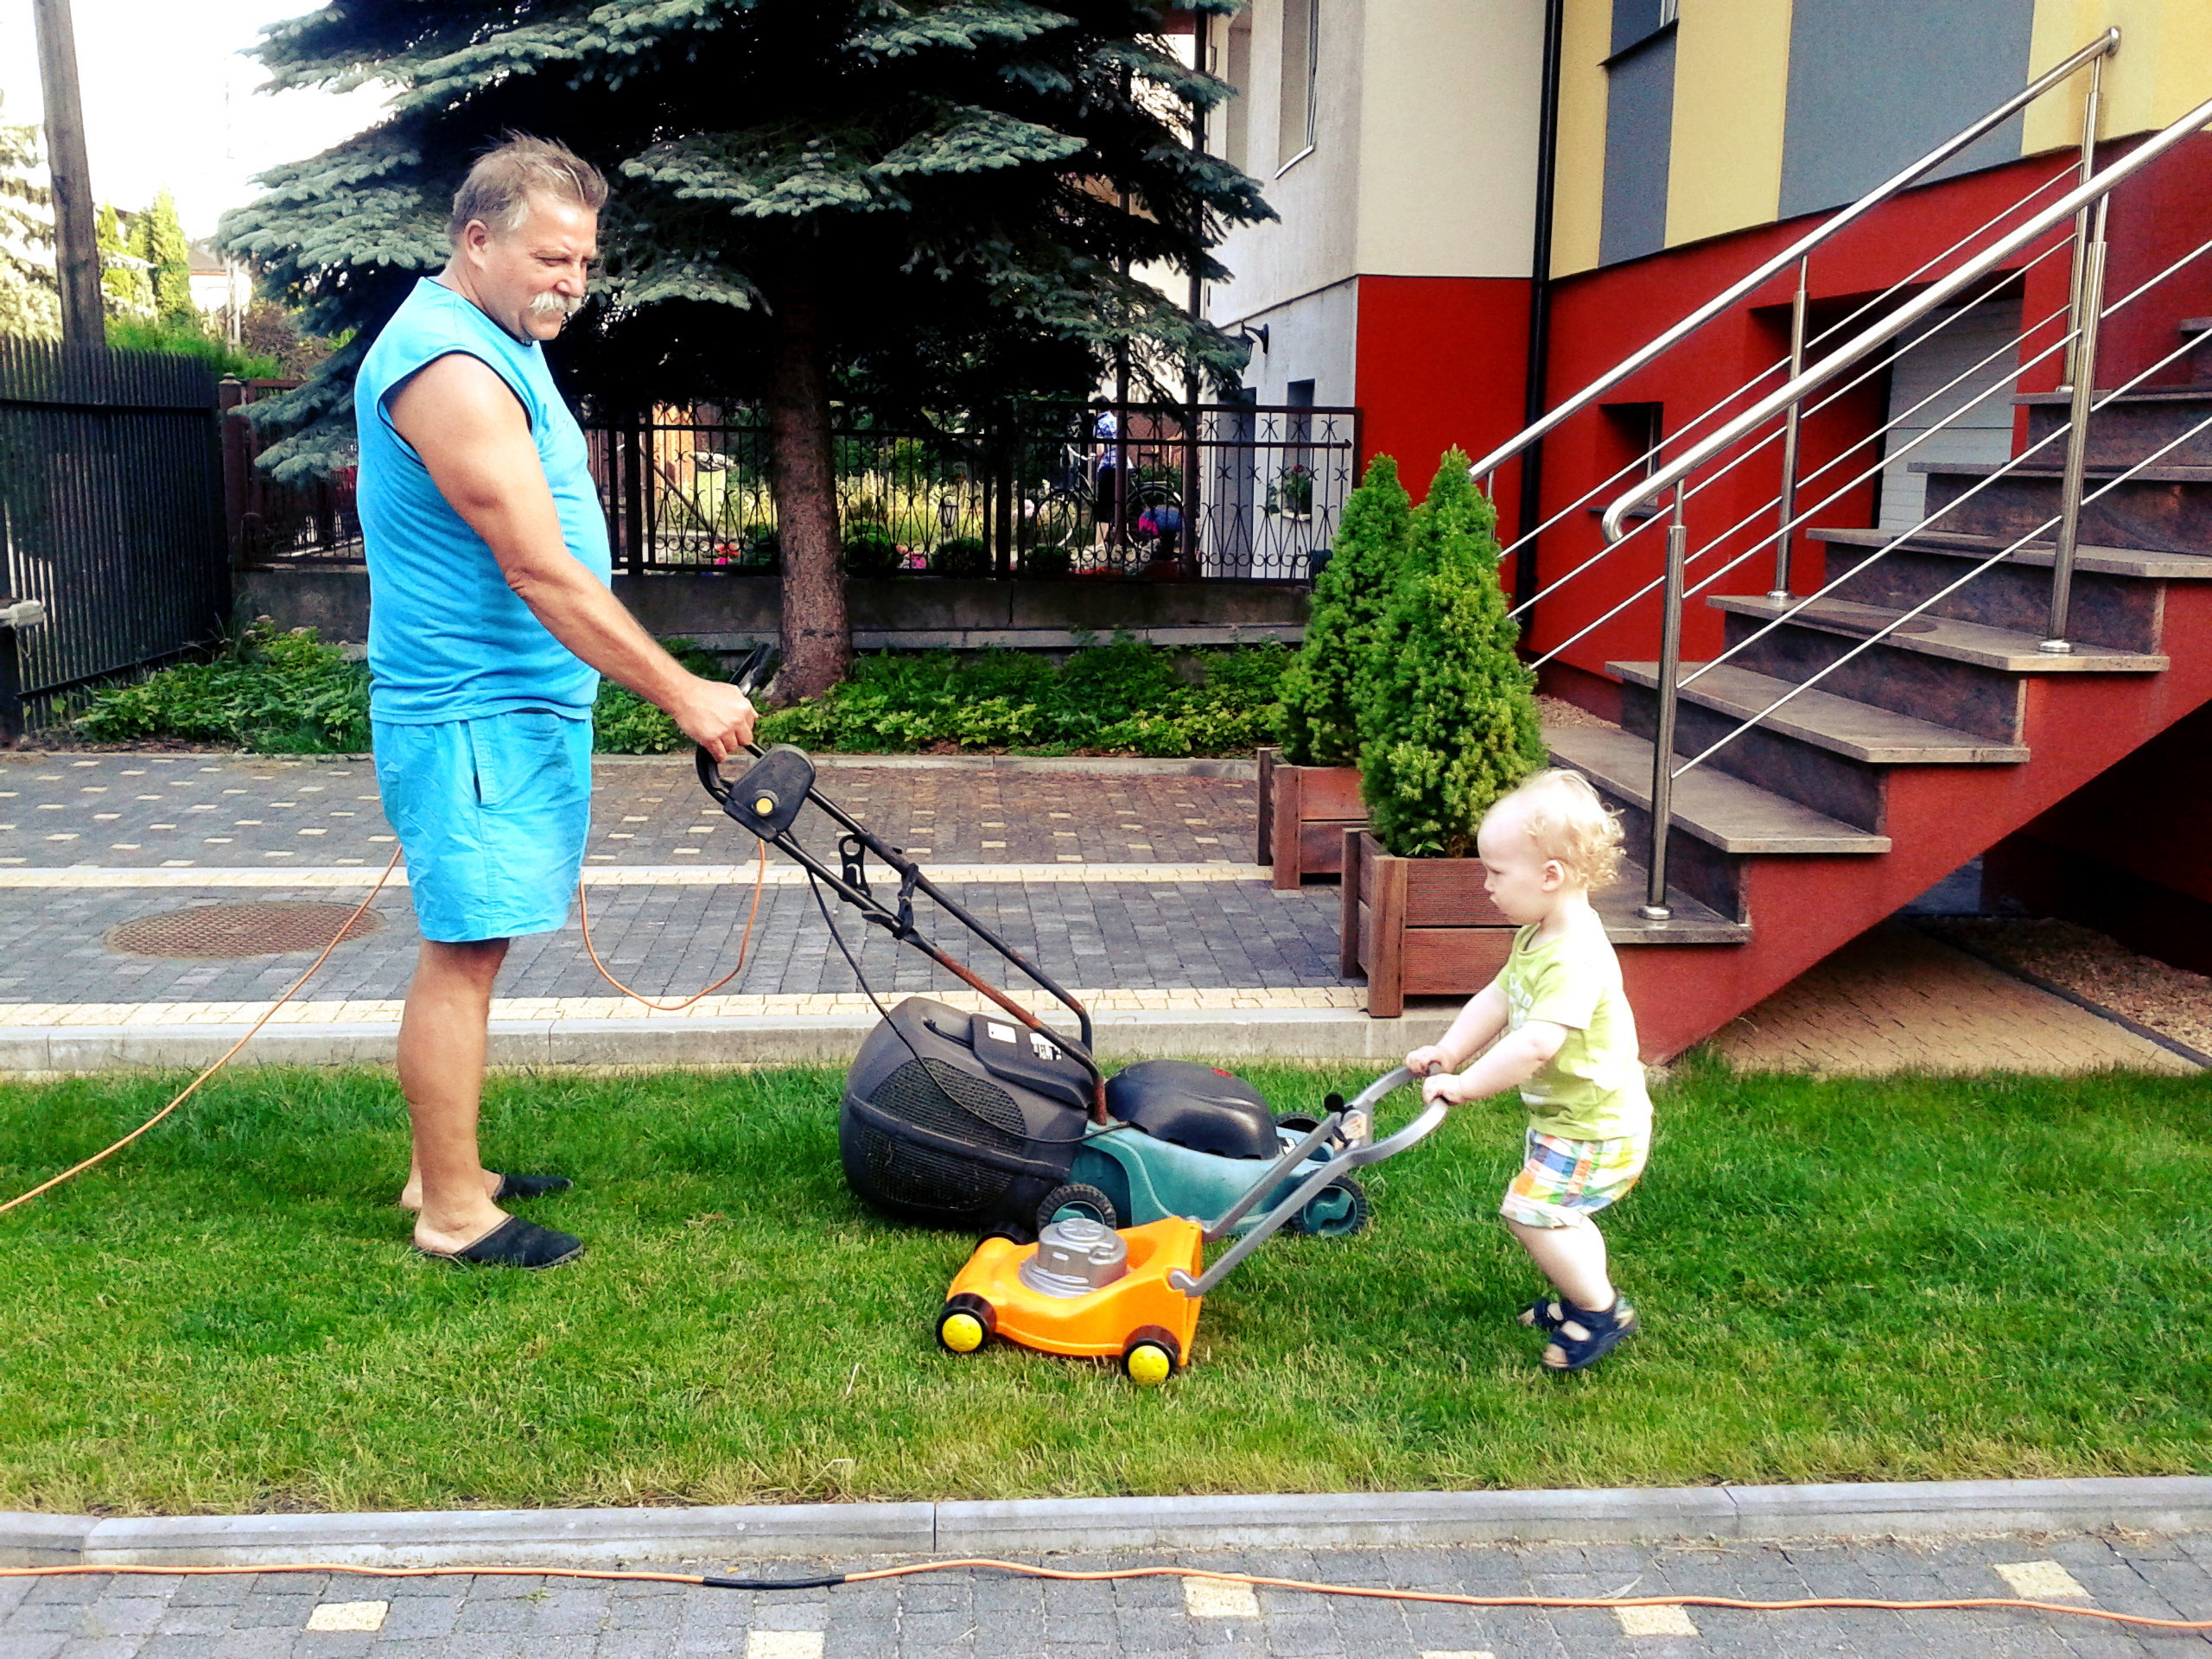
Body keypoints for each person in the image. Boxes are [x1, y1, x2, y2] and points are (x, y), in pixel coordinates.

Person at [356, 135, 757, 1270]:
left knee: (475, 944)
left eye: (582, 262)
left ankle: (450, 1167)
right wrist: (681, 692)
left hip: (512, 709)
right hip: (470, 713)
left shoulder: (496, 334)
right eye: (549, 257)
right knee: (465, 948)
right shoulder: (447, 366)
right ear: (474, 241)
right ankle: (451, 1214)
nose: (569, 283)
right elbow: (537, 569)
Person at [1404, 769, 1649, 1371]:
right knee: (1558, 1213)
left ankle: (1599, 1311)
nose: (1485, 885)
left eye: (1495, 872)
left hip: (1599, 1129)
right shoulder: (1539, 936)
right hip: (1570, 1121)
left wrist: (1464, 1086)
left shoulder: (1575, 957)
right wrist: (1450, 1049)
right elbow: (1498, 1000)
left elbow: (1536, 1044)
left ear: (1550, 876)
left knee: (1529, 1211)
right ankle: (1580, 1295)